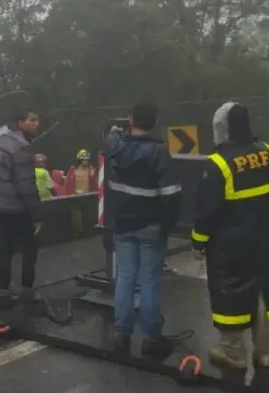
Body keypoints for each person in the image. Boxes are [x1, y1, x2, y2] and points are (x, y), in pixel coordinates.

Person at [191, 101, 269, 370]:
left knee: (230, 291)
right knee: (264, 290)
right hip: (264, 238)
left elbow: (207, 210)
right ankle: (265, 351)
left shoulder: (218, 163)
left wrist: (198, 240)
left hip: (230, 246)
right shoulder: (267, 153)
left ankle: (233, 351)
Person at [103, 102, 182, 355]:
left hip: (122, 224)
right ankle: (151, 338)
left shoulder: (115, 145)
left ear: (130, 119)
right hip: (150, 225)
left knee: (125, 278)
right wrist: (168, 223)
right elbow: (170, 194)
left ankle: (121, 334)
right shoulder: (159, 152)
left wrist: (117, 131)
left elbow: (110, 139)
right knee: (149, 281)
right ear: (156, 122)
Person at [0, 108, 43, 310]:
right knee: (30, 246)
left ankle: (3, 294)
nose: (37, 124)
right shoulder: (22, 148)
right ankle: (28, 291)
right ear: (20, 123)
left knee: (5, 249)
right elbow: (25, 185)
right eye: (32, 120)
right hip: (14, 207)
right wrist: (36, 214)